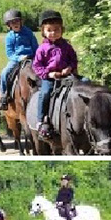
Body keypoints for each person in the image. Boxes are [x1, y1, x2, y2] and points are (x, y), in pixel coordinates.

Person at [32, 10, 78, 138]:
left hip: (67, 75)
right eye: (49, 30)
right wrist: (49, 74)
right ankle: (41, 119)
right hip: (50, 77)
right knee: (45, 92)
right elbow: (37, 65)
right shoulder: (42, 49)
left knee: (84, 84)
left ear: (62, 30)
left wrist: (69, 67)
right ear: (43, 31)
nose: (53, 33)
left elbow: (73, 59)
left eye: (56, 30)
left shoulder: (66, 46)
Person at [0, 9, 38, 110]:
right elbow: (10, 53)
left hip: (31, 57)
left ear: (21, 21)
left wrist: (35, 56)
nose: (15, 24)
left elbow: (35, 46)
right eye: (12, 22)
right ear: (9, 25)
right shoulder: (9, 37)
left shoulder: (28, 32)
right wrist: (19, 58)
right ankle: (3, 95)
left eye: (17, 21)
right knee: (4, 72)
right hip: (16, 59)